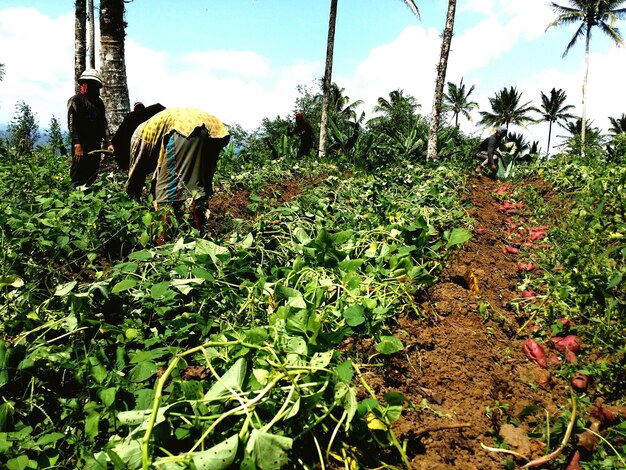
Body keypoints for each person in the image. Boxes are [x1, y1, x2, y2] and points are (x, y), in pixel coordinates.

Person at [125, 107, 230, 231]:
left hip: (186, 129)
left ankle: (163, 243)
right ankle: (201, 233)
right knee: (198, 188)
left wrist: (131, 193)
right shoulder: (157, 123)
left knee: (165, 192)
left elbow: (137, 166)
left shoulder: (138, 135)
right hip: (215, 131)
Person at [67, 68, 113, 186]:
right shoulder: (76, 100)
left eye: (89, 84)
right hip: (81, 144)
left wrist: (109, 143)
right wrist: (77, 145)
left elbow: (103, 123)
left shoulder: (99, 103)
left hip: (95, 143)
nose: (85, 86)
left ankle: (88, 196)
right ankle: (76, 196)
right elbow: (72, 124)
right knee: (78, 172)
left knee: (92, 172)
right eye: (84, 83)